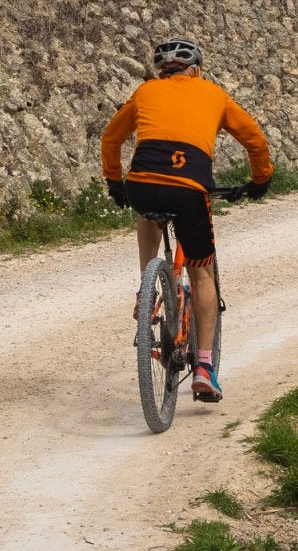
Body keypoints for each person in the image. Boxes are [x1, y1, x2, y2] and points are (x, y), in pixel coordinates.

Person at [101, 35, 273, 403]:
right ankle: (205, 369)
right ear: (196, 70)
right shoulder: (214, 94)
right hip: (190, 188)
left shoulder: (145, 92)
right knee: (202, 273)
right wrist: (261, 180)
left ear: (161, 72)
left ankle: (146, 291)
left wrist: (116, 183)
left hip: (143, 184)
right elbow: (255, 140)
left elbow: (111, 138)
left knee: (146, 208)